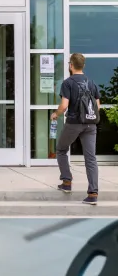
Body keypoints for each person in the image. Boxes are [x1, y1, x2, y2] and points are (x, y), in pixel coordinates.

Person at [52, 53, 101, 206]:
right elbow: (97, 106)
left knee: (61, 149)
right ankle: (92, 193)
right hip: (90, 124)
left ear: (71, 65)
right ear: (83, 66)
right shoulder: (91, 82)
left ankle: (66, 182)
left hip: (74, 123)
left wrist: (56, 113)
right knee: (90, 158)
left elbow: (64, 105)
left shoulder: (68, 83)